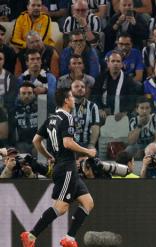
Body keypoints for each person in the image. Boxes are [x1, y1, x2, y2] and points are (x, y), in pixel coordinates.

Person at [21, 88, 97, 247]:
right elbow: (67, 143)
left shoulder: (51, 118)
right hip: (67, 168)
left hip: (64, 167)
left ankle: (69, 238)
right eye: (71, 96)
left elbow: (36, 140)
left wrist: (49, 156)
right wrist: (87, 151)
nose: (74, 99)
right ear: (66, 100)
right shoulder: (67, 117)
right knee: (61, 208)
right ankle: (31, 235)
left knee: (88, 202)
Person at [71, 80, 100, 149]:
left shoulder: (92, 106)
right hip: (69, 145)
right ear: (71, 90)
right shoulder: (64, 105)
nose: (80, 88)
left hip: (86, 145)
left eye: (82, 87)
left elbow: (95, 127)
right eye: (76, 86)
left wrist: (92, 144)